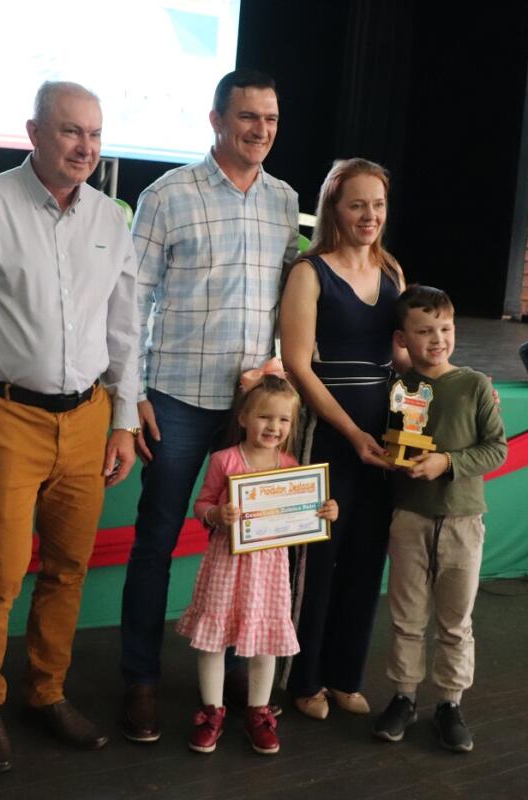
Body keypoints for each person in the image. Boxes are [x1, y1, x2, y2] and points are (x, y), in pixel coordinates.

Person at [0, 81, 142, 774]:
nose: (86, 147)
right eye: (72, 131)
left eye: (95, 134)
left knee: (68, 570)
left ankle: (46, 692)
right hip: (4, 418)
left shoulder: (111, 218)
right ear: (34, 132)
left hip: (88, 420)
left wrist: (124, 420)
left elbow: (124, 330)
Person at [119, 69, 300, 743]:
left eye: (271, 119)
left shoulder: (285, 201)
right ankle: (140, 680)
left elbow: (289, 300)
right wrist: (131, 393)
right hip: (176, 398)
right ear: (217, 120)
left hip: (254, 411)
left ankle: (245, 688)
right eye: (248, 116)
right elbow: (129, 300)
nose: (261, 129)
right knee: (157, 542)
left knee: (258, 545)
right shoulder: (167, 195)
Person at [278, 158, 405, 720]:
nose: (369, 215)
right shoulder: (309, 272)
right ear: (334, 208)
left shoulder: (393, 270)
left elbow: (403, 356)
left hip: (383, 437)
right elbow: (297, 365)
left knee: (366, 557)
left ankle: (344, 676)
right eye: (357, 204)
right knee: (315, 559)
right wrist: (352, 433)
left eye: (378, 204)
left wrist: (459, 382)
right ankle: (303, 680)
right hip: (329, 434)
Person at [176, 365, 339, 756]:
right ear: (243, 418)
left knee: (267, 641)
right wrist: (216, 514)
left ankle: (258, 712)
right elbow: (201, 504)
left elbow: (306, 511)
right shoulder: (225, 461)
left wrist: (325, 511)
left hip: (270, 569)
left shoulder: (291, 467)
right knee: (214, 640)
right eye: (265, 417)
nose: (274, 427)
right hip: (227, 563)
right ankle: (211, 711)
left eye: (283, 420)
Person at [371, 285, 507, 753]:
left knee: (455, 621)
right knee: (406, 618)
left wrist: (446, 463)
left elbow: (497, 449)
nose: (437, 339)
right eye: (424, 331)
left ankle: (450, 702)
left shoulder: (475, 385)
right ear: (402, 339)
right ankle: (404, 697)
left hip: (463, 519)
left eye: (445, 329)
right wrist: (391, 457)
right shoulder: (399, 388)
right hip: (409, 517)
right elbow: (392, 442)